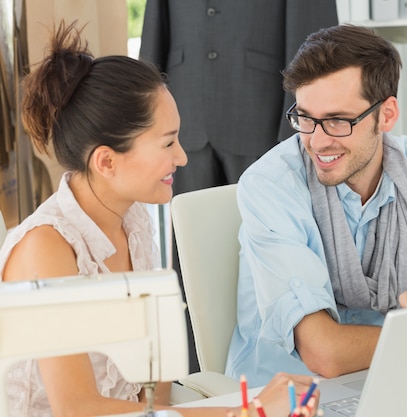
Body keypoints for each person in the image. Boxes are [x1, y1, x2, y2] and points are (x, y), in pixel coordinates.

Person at [0, 20, 317, 417]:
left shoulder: (134, 223)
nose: (182, 157)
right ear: (106, 161)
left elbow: (155, 394)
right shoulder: (46, 250)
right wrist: (249, 410)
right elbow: (77, 409)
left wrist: (254, 409)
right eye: (168, 142)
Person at [225, 24, 407, 388]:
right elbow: (323, 352)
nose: (318, 141)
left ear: (386, 115)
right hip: (288, 394)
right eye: (306, 118)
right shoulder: (270, 186)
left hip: (396, 375)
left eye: (338, 120)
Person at [138, 0, 339, 373]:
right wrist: (146, 112)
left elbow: (315, 33)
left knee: (272, 256)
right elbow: (156, 23)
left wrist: (299, 129)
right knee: (190, 261)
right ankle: (194, 375)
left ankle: (267, 369)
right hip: (187, 112)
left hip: (262, 112)